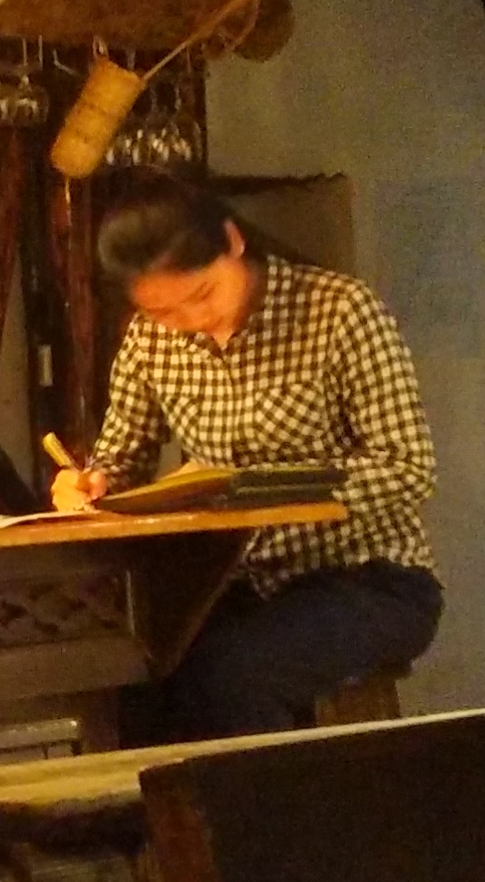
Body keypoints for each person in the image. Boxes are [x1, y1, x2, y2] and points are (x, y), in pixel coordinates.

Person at [51, 172, 440, 739]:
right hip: (224, 585)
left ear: (232, 242)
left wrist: (259, 493)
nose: (191, 321)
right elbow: (121, 459)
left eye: (203, 294)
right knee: (132, 673)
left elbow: (408, 467)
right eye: (164, 312)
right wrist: (92, 483)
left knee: (235, 674)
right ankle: (161, 801)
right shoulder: (149, 340)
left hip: (365, 578)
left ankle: (269, 801)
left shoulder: (339, 310)